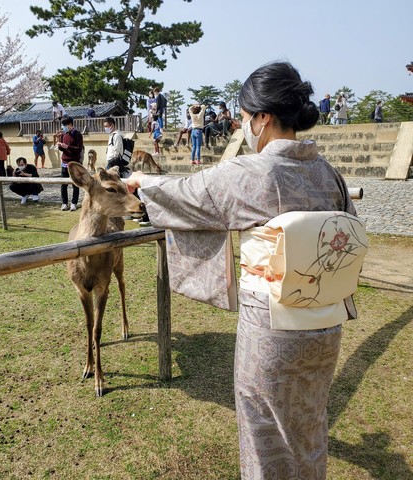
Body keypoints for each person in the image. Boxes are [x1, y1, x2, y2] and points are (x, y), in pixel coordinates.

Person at [126, 61, 358, 479]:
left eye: (246, 118)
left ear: (264, 118)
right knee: (309, 427)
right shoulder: (329, 174)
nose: (244, 126)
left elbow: (187, 195)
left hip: (273, 329)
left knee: (264, 432)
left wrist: (143, 183)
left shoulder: (253, 172)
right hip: (327, 324)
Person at [57, 116, 83, 211]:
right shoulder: (63, 134)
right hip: (64, 162)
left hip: (74, 162)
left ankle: (74, 203)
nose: (63, 127)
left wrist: (67, 146)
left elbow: (78, 149)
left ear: (70, 124)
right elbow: (62, 149)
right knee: (63, 184)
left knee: (75, 184)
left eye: (64, 125)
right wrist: (60, 146)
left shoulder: (77, 134)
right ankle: (64, 203)